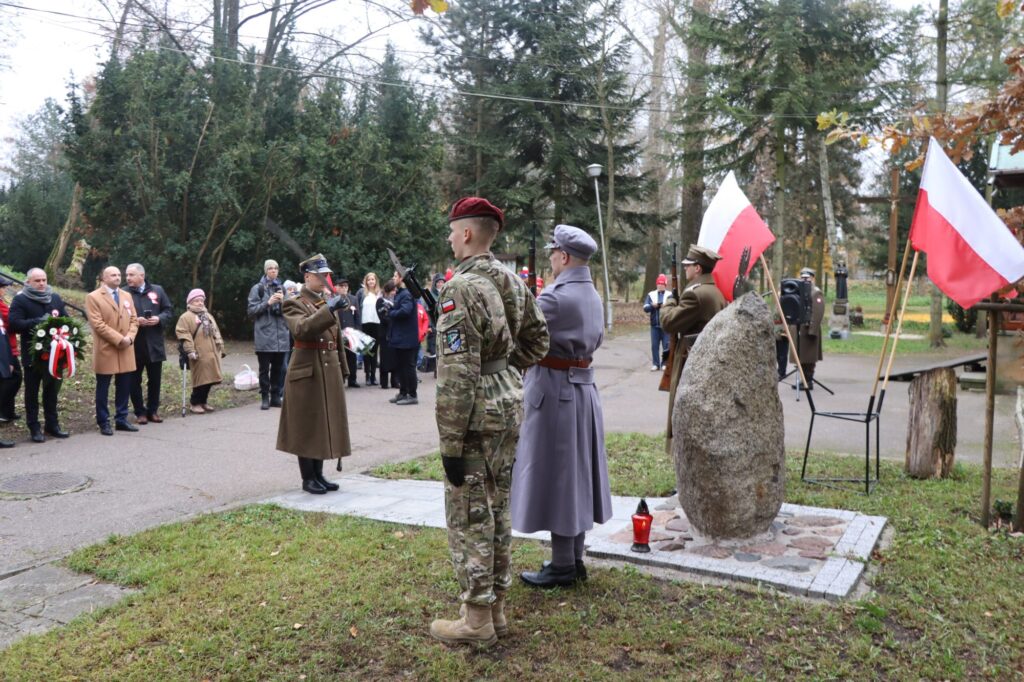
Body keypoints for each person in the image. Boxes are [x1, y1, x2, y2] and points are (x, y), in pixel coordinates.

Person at [429, 196, 549, 648]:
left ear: (466, 234)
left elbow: (456, 375)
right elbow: (539, 339)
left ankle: (476, 619)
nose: (449, 237)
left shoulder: (459, 288)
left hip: (477, 416)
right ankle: (495, 608)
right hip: (508, 407)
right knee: (497, 508)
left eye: (452, 230)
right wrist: (506, 371)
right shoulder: (510, 281)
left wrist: (449, 444)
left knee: (470, 512)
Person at [512, 224, 611, 588]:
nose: (552, 257)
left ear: (564, 256)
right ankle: (573, 558)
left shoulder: (555, 298)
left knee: (559, 481)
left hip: (556, 394)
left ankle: (562, 565)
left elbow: (518, 334)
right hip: (582, 392)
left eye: (554, 252)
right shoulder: (592, 295)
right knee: (577, 479)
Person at [276, 253, 352, 495]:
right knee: (306, 423)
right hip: (306, 370)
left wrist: (344, 368)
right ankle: (308, 477)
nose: (325, 279)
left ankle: (319, 474)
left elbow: (336, 339)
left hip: (327, 368)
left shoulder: (324, 302)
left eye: (327, 275)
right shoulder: (294, 302)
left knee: (322, 422)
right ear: (308, 277)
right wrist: (328, 308)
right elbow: (301, 330)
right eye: (321, 275)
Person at [659, 244, 727, 452]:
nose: (685, 269)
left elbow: (669, 322)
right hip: (706, 362)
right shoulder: (714, 292)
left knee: (686, 419)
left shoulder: (695, 295)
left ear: (697, 268)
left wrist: (669, 301)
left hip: (691, 362)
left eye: (688, 265)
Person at [9, 268, 70, 442]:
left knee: (51, 392)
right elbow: (14, 324)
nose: (42, 283)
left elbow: (66, 320)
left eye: (44, 280)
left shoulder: (55, 298)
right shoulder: (21, 299)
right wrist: (37, 322)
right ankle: (34, 427)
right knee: (32, 393)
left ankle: (52, 425)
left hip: (56, 355)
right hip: (33, 356)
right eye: (37, 281)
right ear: (28, 282)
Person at [86, 265, 140, 436]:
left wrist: (130, 338)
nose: (118, 277)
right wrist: (119, 339)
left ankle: (121, 419)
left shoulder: (126, 295)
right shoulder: (93, 297)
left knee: (124, 385)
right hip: (107, 348)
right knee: (103, 387)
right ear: (104, 278)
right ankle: (103, 421)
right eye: (113, 275)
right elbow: (97, 324)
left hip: (126, 348)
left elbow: (134, 320)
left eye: (119, 274)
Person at [125, 263, 173, 424]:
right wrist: (134, 320)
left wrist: (159, 319)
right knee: (134, 380)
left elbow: (168, 311)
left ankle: (153, 411)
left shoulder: (157, 290)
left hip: (154, 344)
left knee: (155, 380)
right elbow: (118, 316)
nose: (128, 278)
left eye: (131, 275)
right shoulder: (124, 293)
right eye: (127, 275)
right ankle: (140, 412)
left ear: (142, 276)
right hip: (134, 344)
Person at [247, 259, 290, 410]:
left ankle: (275, 397)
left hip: (281, 336)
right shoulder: (257, 289)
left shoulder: (282, 288)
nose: (273, 271)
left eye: (276, 268)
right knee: (264, 370)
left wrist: (284, 301)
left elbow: (291, 311)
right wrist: (268, 303)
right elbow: (251, 311)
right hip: (264, 336)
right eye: (270, 268)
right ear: (265, 270)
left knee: (279, 369)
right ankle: (265, 397)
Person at [175, 289, 224, 415]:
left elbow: (216, 331)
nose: (200, 303)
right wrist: (190, 350)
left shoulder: (208, 315)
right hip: (198, 352)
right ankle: (195, 403)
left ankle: (203, 401)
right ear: (190, 302)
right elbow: (184, 334)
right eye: (196, 301)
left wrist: (221, 347)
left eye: (202, 300)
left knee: (210, 379)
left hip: (212, 352)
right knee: (200, 379)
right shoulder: (185, 317)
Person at [386, 270, 420, 405]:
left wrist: (391, 312)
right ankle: (403, 392)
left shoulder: (406, 294)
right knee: (401, 366)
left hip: (407, 338)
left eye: (395, 276)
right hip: (400, 338)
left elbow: (405, 311)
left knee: (408, 366)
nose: (393, 278)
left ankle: (412, 394)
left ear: (401, 278)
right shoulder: (400, 293)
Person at [792, 267, 825, 388]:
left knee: (809, 357)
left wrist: (812, 329)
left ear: (812, 278)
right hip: (800, 329)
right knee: (801, 357)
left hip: (809, 330)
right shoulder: (798, 292)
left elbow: (818, 312)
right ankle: (803, 380)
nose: (805, 279)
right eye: (802, 277)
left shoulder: (816, 292)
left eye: (807, 277)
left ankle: (808, 380)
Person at [0, 276, 22, 426]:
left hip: (9, 347)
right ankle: (3, 411)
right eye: (3, 287)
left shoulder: (2, 302)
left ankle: (8, 411)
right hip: (6, 349)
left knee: (12, 378)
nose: (5, 289)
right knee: (13, 379)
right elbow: (10, 320)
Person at [333, 277, 361, 388]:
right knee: (339, 357)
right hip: (338, 331)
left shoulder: (353, 299)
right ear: (336, 287)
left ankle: (352, 379)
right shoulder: (334, 299)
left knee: (352, 357)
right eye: (341, 286)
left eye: (346, 286)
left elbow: (357, 316)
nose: (344, 288)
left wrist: (358, 331)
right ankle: (340, 379)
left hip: (351, 331)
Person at [356, 272, 381, 385]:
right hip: (365, 324)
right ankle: (367, 376)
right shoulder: (361, 293)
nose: (371, 281)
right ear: (366, 281)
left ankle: (373, 376)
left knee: (374, 351)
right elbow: (356, 308)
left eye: (373, 279)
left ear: (376, 281)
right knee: (367, 351)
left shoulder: (379, 293)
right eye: (369, 279)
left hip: (377, 324)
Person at [644, 274, 670, 371]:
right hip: (654, 325)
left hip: (666, 325)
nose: (660, 286)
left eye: (662, 284)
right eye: (659, 284)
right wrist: (652, 306)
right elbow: (645, 307)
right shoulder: (651, 295)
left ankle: (665, 363)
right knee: (654, 345)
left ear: (665, 284)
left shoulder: (669, 295)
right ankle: (655, 364)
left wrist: (665, 306)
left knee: (666, 345)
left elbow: (674, 306)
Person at [376, 280, 399, 390]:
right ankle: (384, 382)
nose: (395, 292)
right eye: (393, 290)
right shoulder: (380, 301)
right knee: (385, 358)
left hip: (395, 332)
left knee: (395, 357)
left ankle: (395, 381)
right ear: (388, 291)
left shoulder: (396, 300)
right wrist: (394, 318)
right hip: (385, 332)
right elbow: (383, 317)